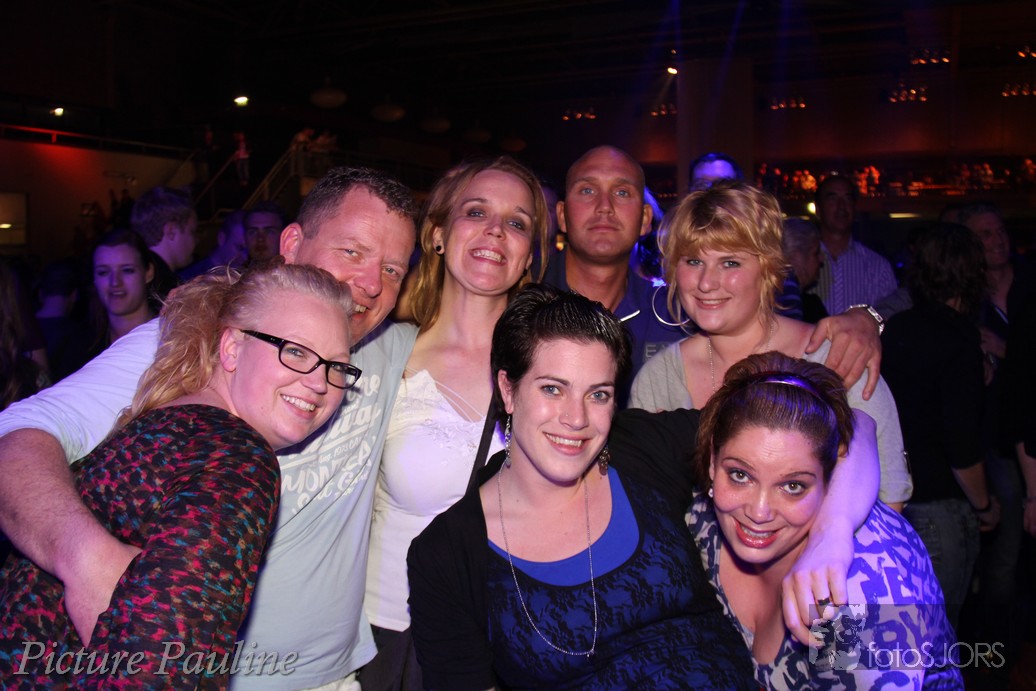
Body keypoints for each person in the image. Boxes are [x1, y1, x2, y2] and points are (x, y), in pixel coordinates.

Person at [0, 166, 418, 690]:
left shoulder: (388, 352)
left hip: (330, 676)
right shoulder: (188, 341)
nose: (372, 284)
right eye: (352, 251)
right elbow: (14, 439)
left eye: (393, 269)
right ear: (292, 243)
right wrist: (88, 561)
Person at [408, 284, 882, 690]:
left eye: (598, 394)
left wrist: (834, 533)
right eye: (552, 388)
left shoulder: (640, 450)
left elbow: (853, 426)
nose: (576, 418)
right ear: (508, 390)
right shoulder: (447, 554)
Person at [0, 262, 355, 688]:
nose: (319, 382)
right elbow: (157, 673)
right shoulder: (236, 457)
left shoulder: (164, 423)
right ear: (232, 348)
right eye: (295, 351)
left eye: (338, 367)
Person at [361, 156, 549, 690]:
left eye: (517, 222)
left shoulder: (551, 366)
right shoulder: (384, 357)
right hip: (395, 639)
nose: (496, 231)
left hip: (512, 638)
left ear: (528, 255)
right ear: (439, 234)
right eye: (476, 212)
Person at [630, 181, 911, 510]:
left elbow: (890, 500)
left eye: (730, 263)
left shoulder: (838, 357)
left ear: (768, 268)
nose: (706, 283)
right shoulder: (659, 378)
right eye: (693, 261)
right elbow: (642, 507)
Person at [688, 351, 962, 689]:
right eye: (740, 475)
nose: (759, 512)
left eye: (792, 486)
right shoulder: (700, 522)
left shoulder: (856, 601)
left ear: (831, 480)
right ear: (713, 461)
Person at [546, 146, 884, 404]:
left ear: (646, 219)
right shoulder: (525, 300)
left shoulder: (670, 312)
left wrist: (865, 319)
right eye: (693, 261)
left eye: (730, 263)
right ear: (560, 215)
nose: (604, 207)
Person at [881, 223, 1000, 631]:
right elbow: (960, 443)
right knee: (935, 640)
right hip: (939, 509)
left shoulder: (897, 328)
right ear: (972, 275)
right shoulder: (959, 337)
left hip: (891, 504)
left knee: (896, 636)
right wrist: (985, 505)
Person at [809, 174, 898, 315]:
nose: (841, 206)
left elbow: (891, 318)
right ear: (818, 209)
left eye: (847, 199)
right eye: (833, 199)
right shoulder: (801, 264)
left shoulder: (878, 267)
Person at [130, 186, 198, 308]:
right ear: (171, 231)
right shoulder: (168, 290)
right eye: (192, 232)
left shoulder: (133, 274)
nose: (196, 240)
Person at [90, 228, 157, 351]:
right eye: (103, 272)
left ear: (149, 273)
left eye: (127, 270)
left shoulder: (172, 339)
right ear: (94, 278)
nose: (115, 282)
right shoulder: (78, 348)